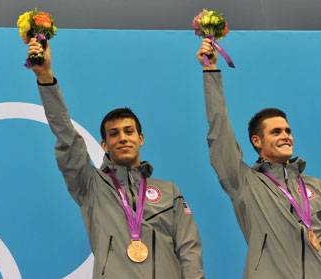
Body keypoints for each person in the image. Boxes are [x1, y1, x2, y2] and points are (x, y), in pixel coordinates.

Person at [26, 39, 204, 279]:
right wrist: (46, 78)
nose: (122, 138)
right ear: (104, 144)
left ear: (141, 138)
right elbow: (67, 137)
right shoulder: (90, 185)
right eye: (114, 134)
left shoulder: (169, 191)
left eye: (129, 131)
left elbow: (188, 248)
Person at [196, 38, 321, 279]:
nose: (285, 136)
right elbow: (220, 134)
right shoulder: (244, 183)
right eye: (276, 132)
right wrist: (210, 71)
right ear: (257, 141)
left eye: (288, 131)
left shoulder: (318, 188)